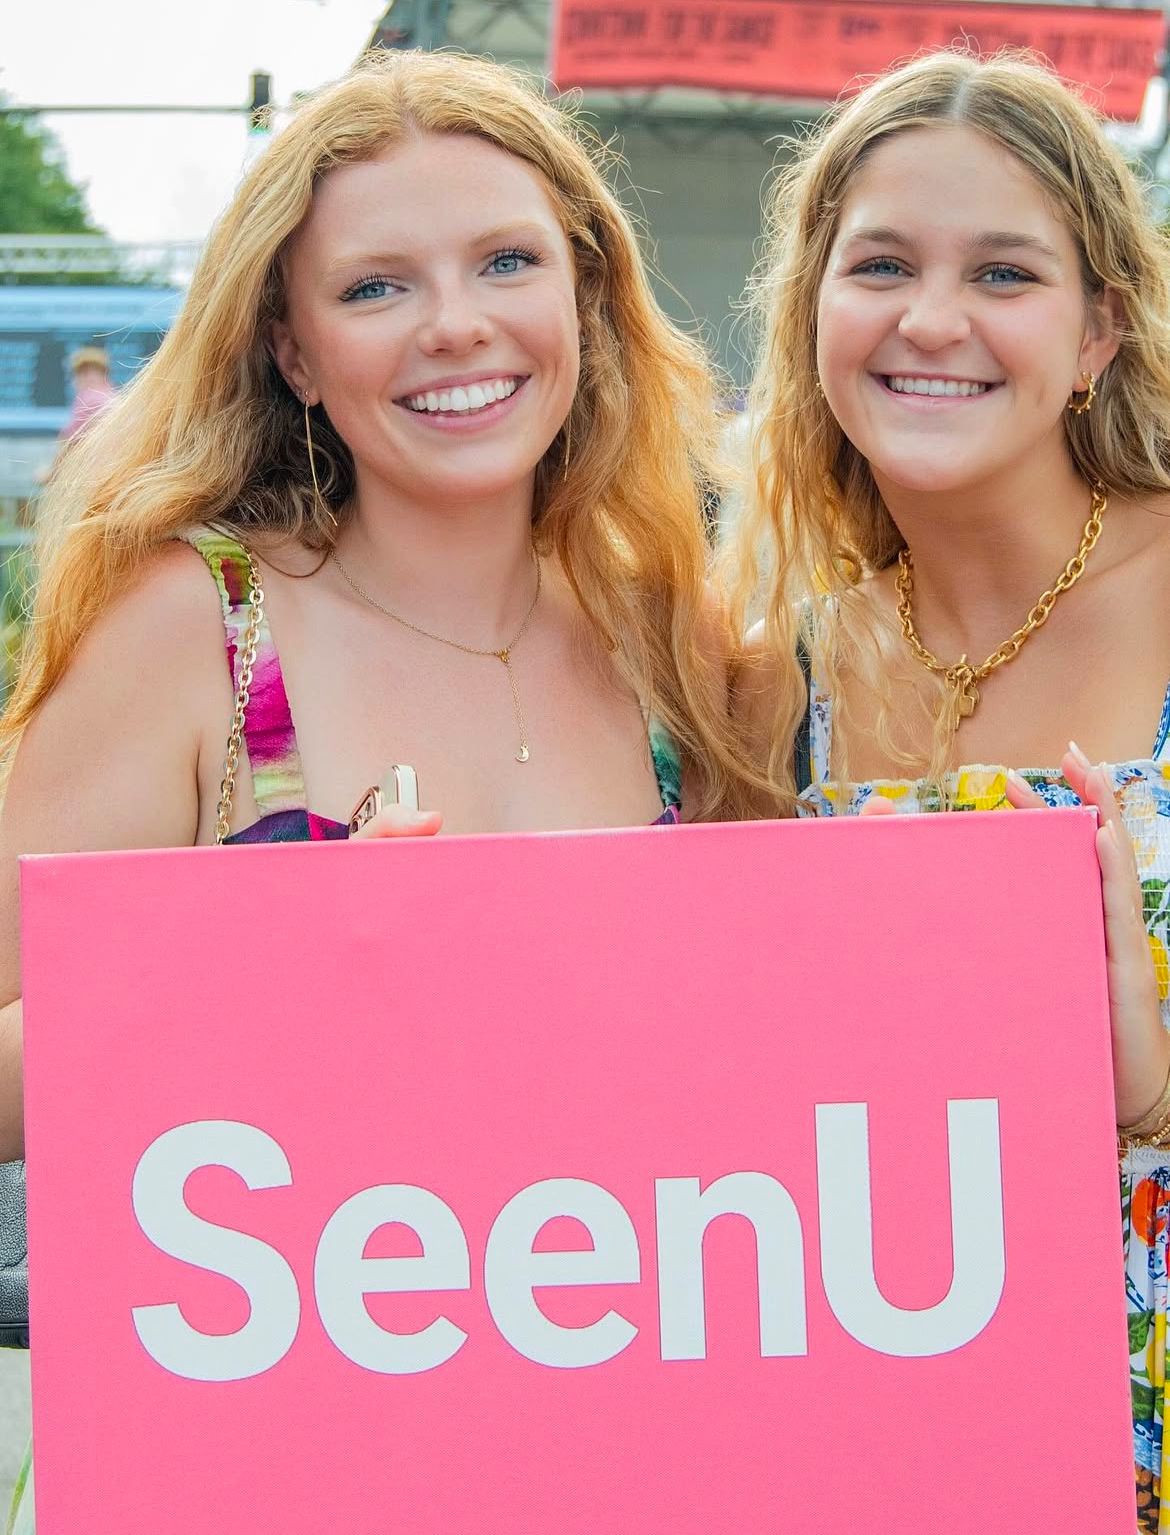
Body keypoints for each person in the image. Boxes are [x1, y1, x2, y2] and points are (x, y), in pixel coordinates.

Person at [0, 48, 753, 1530]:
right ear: (291, 351)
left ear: (585, 304)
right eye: (374, 288)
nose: (454, 325)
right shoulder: (194, 626)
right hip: (266, 1462)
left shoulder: (677, 644)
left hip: (608, 1439)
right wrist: (233, 959)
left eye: (503, 261)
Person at [733, 48, 1170, 1529]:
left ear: (1098, 330)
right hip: (912, 1438)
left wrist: (1153, 1084)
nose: (931, 320)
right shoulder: (771, 683)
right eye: (881, 265)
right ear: (812, 313)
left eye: (1002, 271)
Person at [58, 345, 115, 443]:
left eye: (95, 371)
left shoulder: (92, 401)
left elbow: (68, 439)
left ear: (104, 374)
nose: (89, 377)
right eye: (84, 372)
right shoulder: (114, 396)